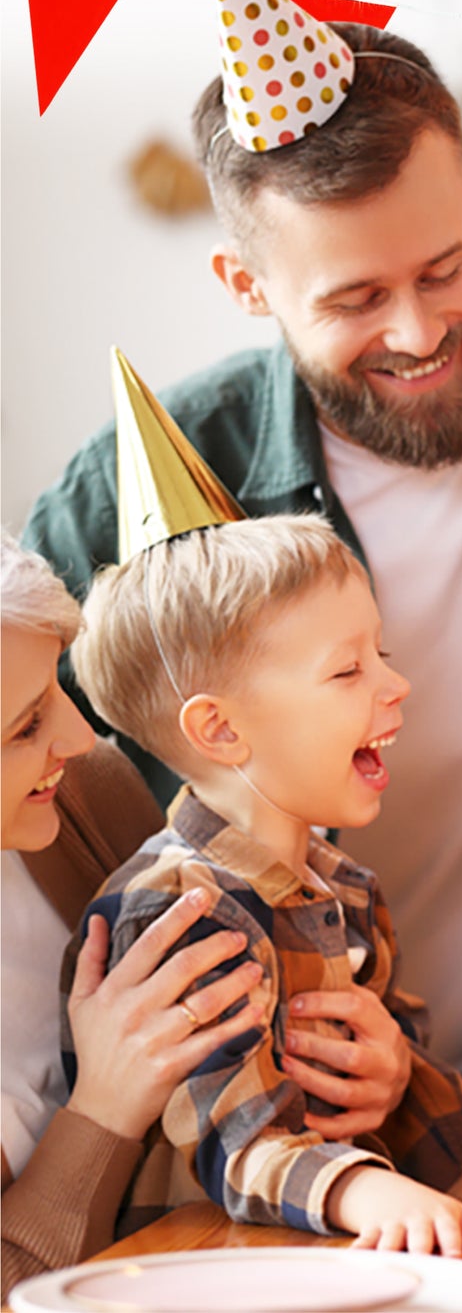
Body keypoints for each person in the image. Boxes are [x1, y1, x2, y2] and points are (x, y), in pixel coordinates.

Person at [23, 0, 462, 1143]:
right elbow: (32, 769)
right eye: (354, 297)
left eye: (444, 268)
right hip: (270, 1102)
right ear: (246, 284)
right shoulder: (137, 486)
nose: (417, 329)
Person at [66, 513, 462, 1250]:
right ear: (220, 730)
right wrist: (360, 1187)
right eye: (347, 669)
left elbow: (416, 1106)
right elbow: (234, 1137)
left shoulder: (348, 890)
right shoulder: (177, 911)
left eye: (381, 651)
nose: (396, 682)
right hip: (204, 1280)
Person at [1, 534, 262, 1299]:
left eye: (58, 689)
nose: (78, 738)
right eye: (24, 726)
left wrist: (372, 1067)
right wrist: (103, 1112)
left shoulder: (86, 793)